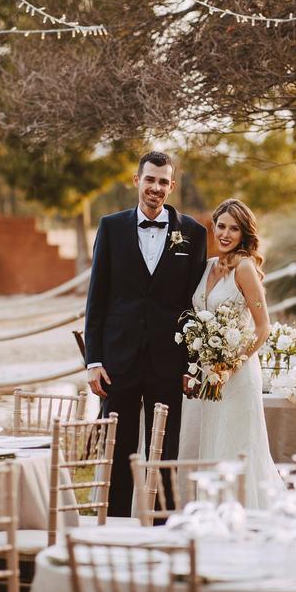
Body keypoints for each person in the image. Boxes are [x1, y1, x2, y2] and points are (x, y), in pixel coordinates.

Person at [84, 151, 209, 517]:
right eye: (150, 179)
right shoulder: (110, 227)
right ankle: (118, 526)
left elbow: (193, 306)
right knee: (119, 448)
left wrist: (191, 364)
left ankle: (162, 527)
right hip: (118, 361)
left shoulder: (194, 234)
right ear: (137, 180)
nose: (156, 188)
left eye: (163, 181)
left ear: (172, 186)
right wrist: (94, 360)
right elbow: (97, 297)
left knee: (165, 450)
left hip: (168, 362)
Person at [178, 198, 282, 508]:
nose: (225, 234)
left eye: (233, 229)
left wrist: (231, 364)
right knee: (212, 446)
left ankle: (247, 515)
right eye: (221, 226)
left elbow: (263, 326)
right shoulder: (208, 266)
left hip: (238, 376)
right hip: (209, 376)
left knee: (236, 447)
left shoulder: (245, 268)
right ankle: (214, 514)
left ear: (244, 234)